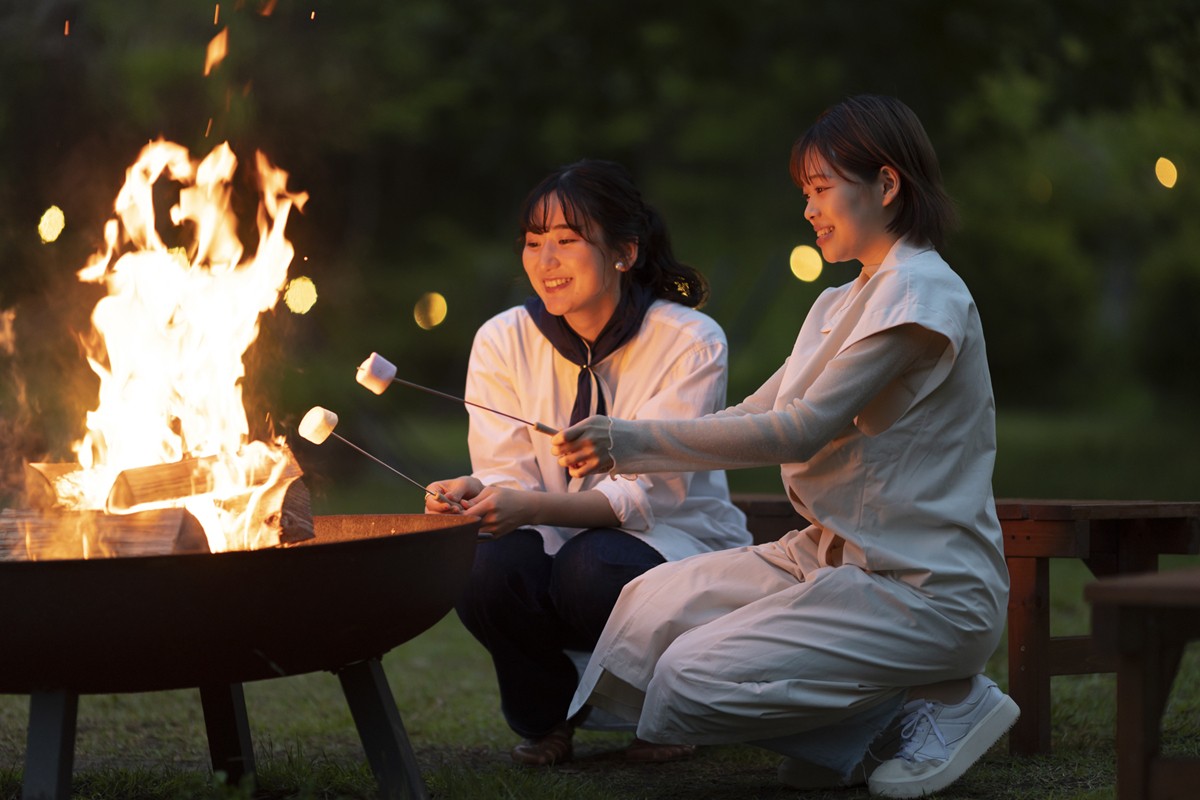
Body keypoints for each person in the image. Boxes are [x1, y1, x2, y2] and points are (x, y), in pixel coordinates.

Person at [551, 95, 1019, 799]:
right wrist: (627, 441)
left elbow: (799, 428)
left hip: (923, 588)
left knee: (686, 684)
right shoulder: (837, 302)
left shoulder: (923, 294)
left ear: (887, 186)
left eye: (822, 189)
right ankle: (859, 733)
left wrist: (632, 442)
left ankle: (944, 705)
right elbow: (753, 412)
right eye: (806, 193)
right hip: (829, 558)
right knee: (644, 618)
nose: (809, 209)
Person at [424, 158, 752, 767]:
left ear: (625, 252)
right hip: (554, 538)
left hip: (666, 540)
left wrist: (528, 504)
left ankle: (669, 709)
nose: (545, 260)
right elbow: (506, 472)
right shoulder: (502, 339)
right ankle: (546, 718)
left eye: (567, 241)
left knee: (590, 563)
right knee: (479, 562)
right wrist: (474, 490)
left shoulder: (688, 340)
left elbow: (645, 497)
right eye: (533, 242)